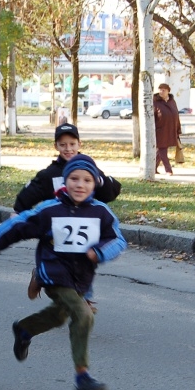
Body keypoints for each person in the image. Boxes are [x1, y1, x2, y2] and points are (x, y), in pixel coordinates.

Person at [0, 154, 127, 390]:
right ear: (65, 181)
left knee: (59, 317)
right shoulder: (51, 210)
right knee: (84, 316)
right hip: (54, 272)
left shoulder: (101, 213)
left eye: (86, 180)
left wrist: (100, 252)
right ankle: (82, 376)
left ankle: (25, 330)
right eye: (74, 178)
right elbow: (21, 225)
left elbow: (117, 239)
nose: (79, 185)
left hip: (81, 277)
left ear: (94, 185)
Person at [13, 123, 123, 301]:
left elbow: (110, 191)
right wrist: (18, 212)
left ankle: (82, 299)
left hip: (85, 225)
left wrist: (101, 182)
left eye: (72, 144)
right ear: (56, 146)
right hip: (56, 231)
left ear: (79, 144)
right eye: (63, 145)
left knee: (84, 262)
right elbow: (30, 193)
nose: (68, 149)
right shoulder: (50, 174)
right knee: (59, 265)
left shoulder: (89, 169)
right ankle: (42, 276)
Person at [153, 83, 182, 176]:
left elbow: (176, 116)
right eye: (160, 89)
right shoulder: (155, 102)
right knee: (162, 149)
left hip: (170, 129)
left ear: (168, 91)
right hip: (159, 130)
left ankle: (153, 168)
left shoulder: (172, 102)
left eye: (163, 90)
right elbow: (152, 117)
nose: (161, 92)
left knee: (161, 150)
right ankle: (168, 170)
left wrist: (178, 129)